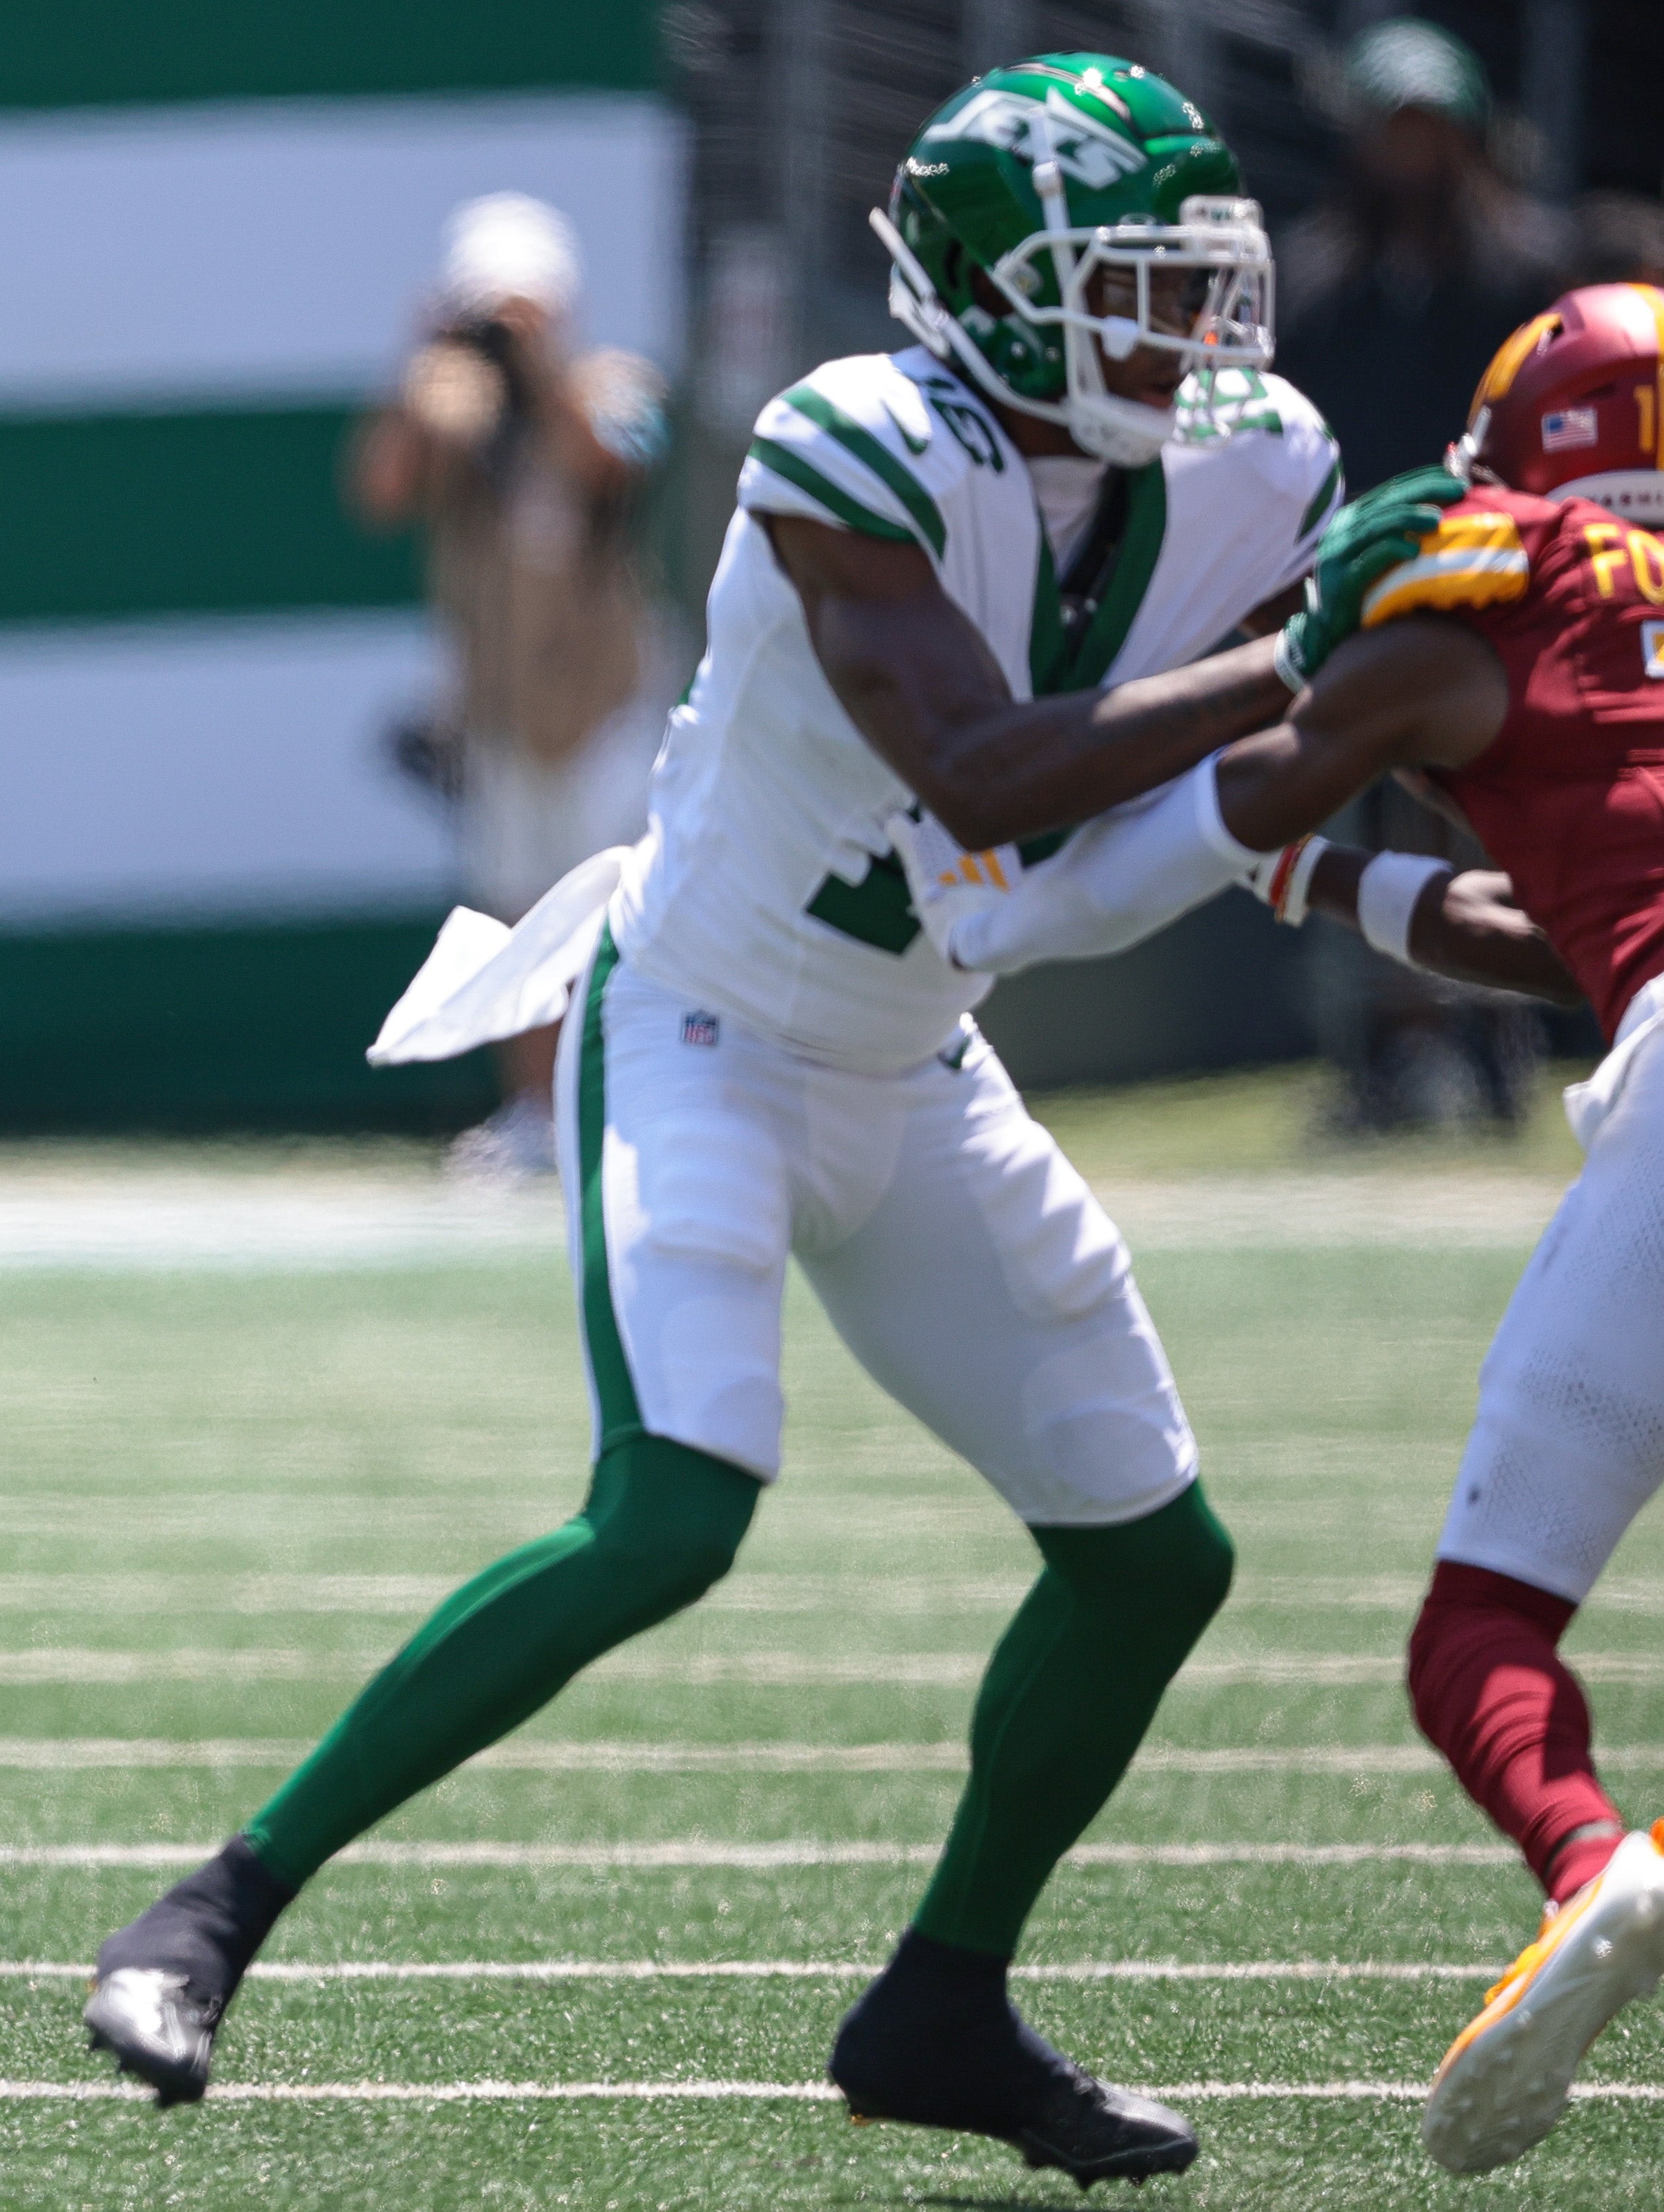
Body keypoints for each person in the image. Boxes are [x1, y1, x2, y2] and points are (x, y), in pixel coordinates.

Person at [83, 55, 1417, 2183]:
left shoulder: (1248, 469)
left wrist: (1416, 835)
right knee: (671, 1513)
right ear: (992, 295)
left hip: (913, 1055)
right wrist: (1320, 665)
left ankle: (941, 2000)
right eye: (1139, 289)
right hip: (702, 1024)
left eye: (1203, 284)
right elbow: (989, 769)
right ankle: (215, 1908)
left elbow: (1214, 782)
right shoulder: (850, 441)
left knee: (1154, 1559)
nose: (1195, 337)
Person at [890, 281, 1664, 2177]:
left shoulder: (1500, 573)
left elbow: (1261, 780)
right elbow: (1549, 929)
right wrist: (1331, 865)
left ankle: (1590, 1860)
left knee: (1478, 1632)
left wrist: (1063, 890)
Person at [1276, 18, 1574, 1131]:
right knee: (1358, 820)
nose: (1412, 151)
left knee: (1500, 815)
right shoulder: (1314, 281)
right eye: (1392, 128)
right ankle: (1383, 1055)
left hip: (1503, 591)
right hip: (1359, 597)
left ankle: (1502, 1045)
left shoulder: (1528, 268)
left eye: (1430, 128)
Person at [347, 194, 673, 1177]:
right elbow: (379, 493)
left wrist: (537, 364)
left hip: (602, 704)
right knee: (511, 913)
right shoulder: (451, 406)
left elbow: (616, 458)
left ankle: (621, 1101)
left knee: (617, 916)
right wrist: (425, 370)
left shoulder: (611, 383)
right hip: (497, 712)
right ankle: (535, 1110)